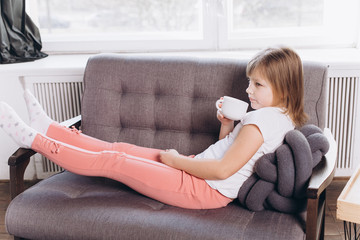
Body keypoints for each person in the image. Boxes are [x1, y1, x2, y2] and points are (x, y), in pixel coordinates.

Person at [0, 47, 307, 210]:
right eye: (249, 81)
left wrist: (175, 161)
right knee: (121, 149)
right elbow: (229, 153)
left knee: (114, 160)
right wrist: (227, 125)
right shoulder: (279, 116)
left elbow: (223, 170)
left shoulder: (260, 121)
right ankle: (50, 129)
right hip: (198, 172)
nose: (248, 89)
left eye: (257, 84)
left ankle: (36, 140)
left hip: (202, 188)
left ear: (283, 87)